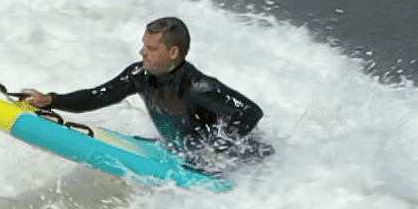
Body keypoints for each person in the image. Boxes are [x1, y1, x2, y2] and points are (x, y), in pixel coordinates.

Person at [18, 17, 269, 171]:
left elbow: (250, 112)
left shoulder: (198, 87)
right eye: (143, 45)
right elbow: (97, 96)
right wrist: (52, 100)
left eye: (151, 48)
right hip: (183, 152)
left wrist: (219, 149)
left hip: (243, 163)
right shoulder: (139, 76)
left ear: (172, 53)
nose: (142, 52)